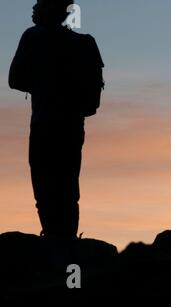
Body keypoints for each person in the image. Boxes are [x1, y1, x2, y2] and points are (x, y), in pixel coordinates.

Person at [9, 0, 104, 238]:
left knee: (44, 183)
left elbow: (15, 79)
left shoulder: (33, 36)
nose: (33, 8)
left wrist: (44, 84)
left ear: (49, 9)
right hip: (72, 125)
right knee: (68, 184)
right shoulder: (85, 43)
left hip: (45, 122)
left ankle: (53, 238)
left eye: (39, 3)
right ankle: (66, 239)